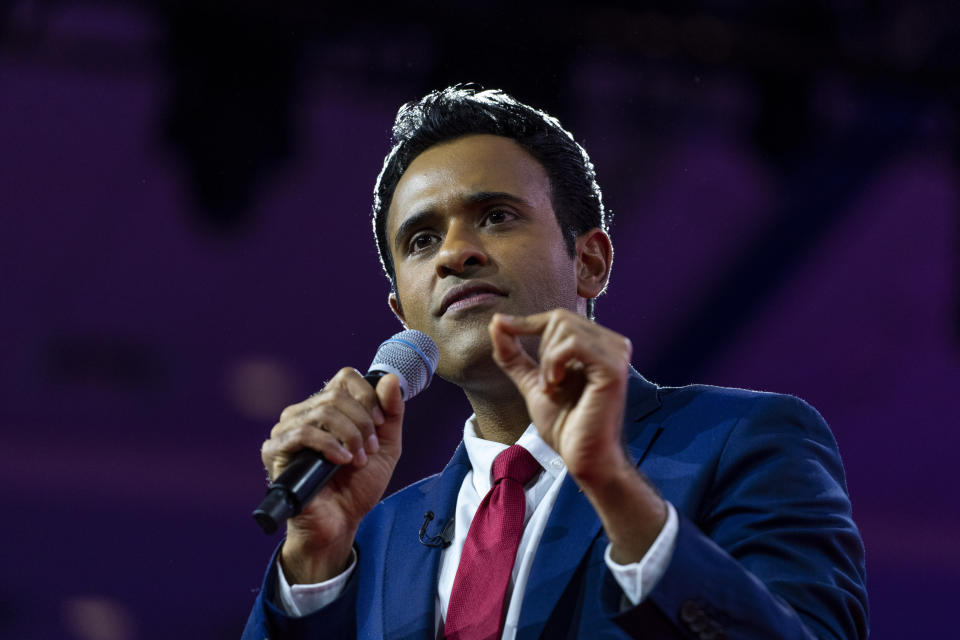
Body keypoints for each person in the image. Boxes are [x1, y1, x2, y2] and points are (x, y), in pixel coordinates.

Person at [243, 85, 868, 639]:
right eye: (422, 240)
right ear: (403, 312)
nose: (454, 254)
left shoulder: (746, 442)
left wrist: (617, 491)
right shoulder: (373, 538)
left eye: (495, 216)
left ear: (590, 262)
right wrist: (314, 564)